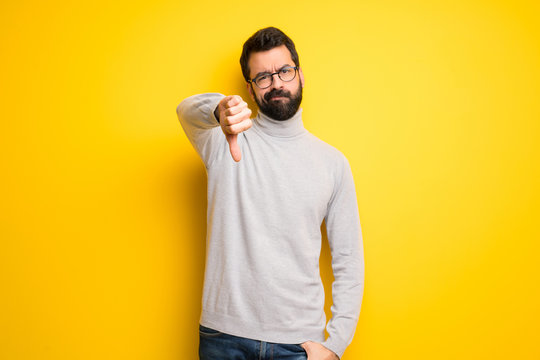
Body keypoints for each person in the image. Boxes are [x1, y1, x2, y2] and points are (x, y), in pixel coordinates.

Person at [176, 27, 364, 360]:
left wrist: (335, 347)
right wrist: (220, 110)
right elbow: (185, 110)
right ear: (250, 89)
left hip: (300, 344)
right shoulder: (220, 141)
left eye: (284, 71)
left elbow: (349, 261)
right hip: (224, 337)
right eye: (263, 77)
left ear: (300, 75)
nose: (276, 83)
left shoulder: (333, 163)